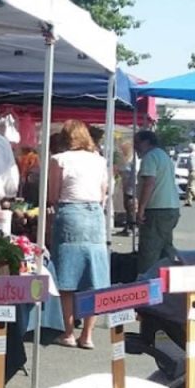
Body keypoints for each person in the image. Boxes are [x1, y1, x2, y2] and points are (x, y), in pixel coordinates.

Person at [48, 120, 110, 349]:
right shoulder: (100, 160)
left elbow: (52, 195)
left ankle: (68, 333)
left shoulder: (60, 160)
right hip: (94, 215)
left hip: (70, 212)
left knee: (67, 277)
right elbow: (104, 194)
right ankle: (88, 335)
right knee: (92, 277)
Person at [134, 130, 181, 273]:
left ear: (146, 142)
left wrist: (140, 208)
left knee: (149, 252)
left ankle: (146, 284)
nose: (135, 147)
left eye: (137, 143)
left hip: (157, 209)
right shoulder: (163, 155)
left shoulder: (150, 157)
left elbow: (149, 182)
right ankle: (167, 282)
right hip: (171, 207)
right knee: (166, 249)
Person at [118, 141, 139, 236]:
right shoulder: (127, 158)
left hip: (132, 187)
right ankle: (128, 226)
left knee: (131, 207)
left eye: (123, 149)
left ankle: (133, 227)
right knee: (127, 207)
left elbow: (135, 173)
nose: (122, 151)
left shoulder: (133, 159)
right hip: (127, 186)